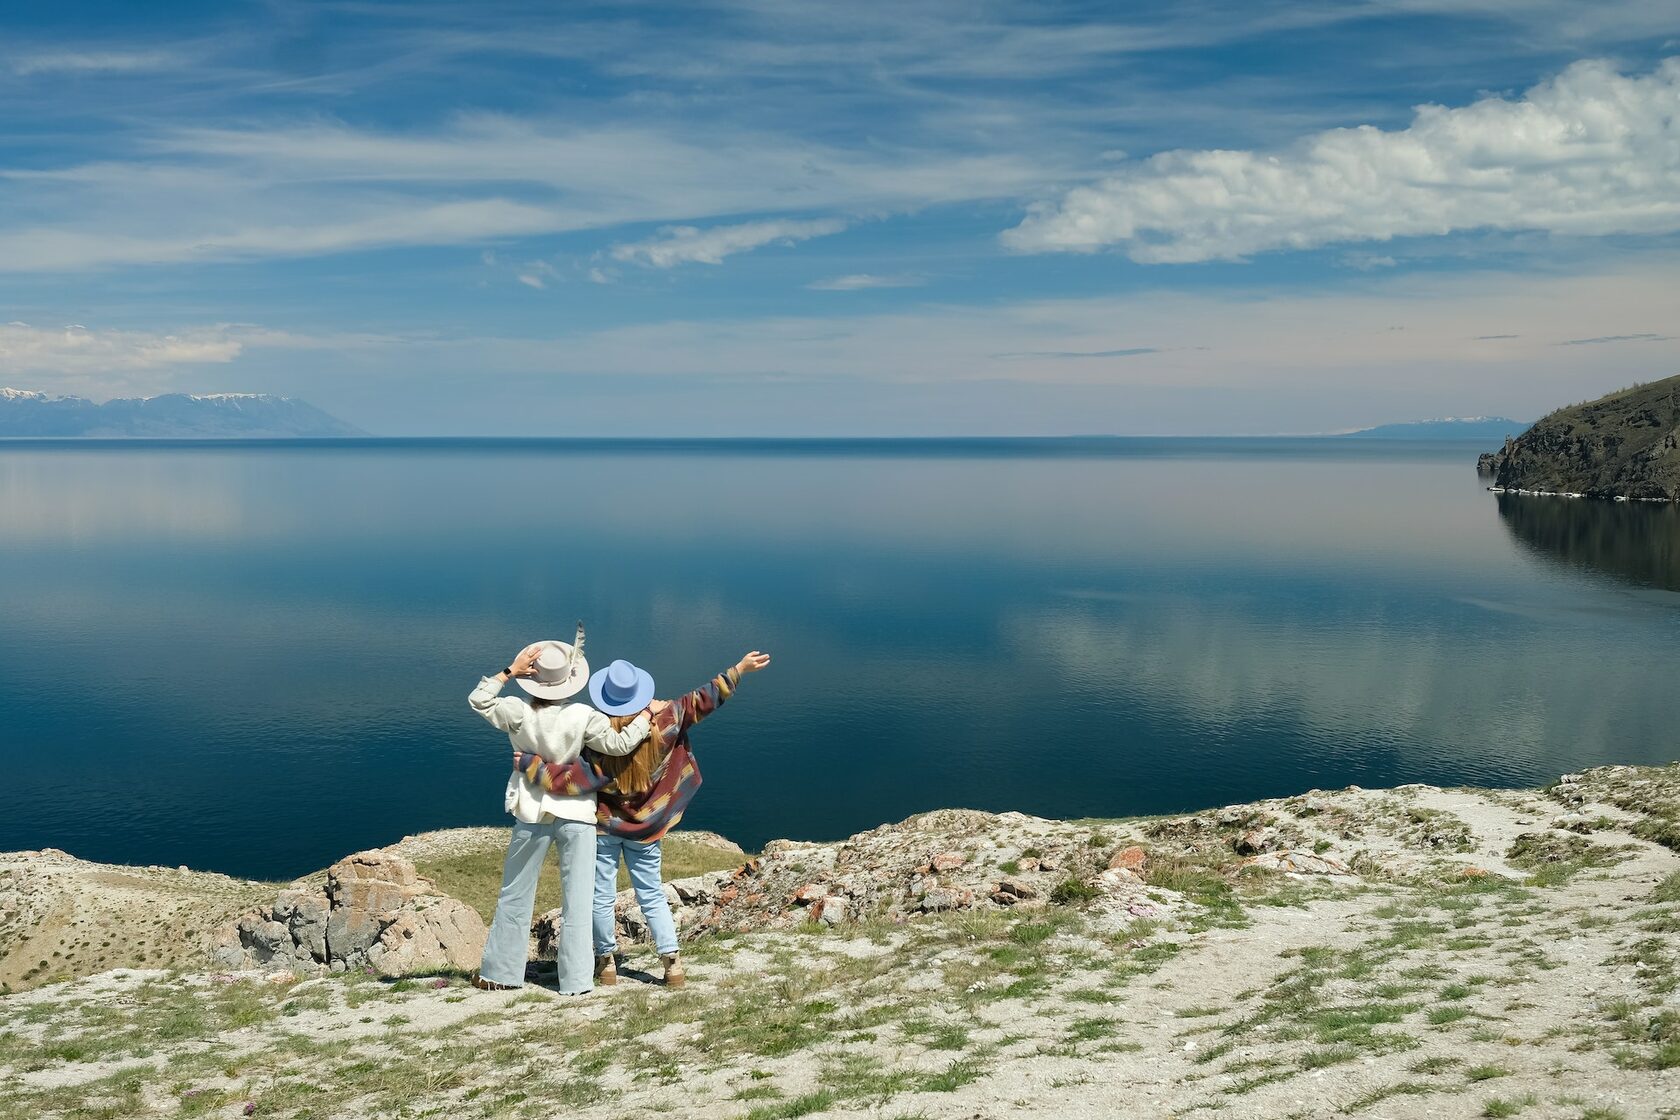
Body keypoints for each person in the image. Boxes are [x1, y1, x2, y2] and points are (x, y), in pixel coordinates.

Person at [510, 649, 770, 990]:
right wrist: (740, 669)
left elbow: (572, 779)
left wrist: (531, 765)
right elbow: (705, 699)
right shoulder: (667, 718)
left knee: (601, 896)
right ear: (640, 694)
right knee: (651, 893)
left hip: (604, 826)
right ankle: (672, 964)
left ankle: (606, 965)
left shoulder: (595, 736)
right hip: (648, 826)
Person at [467, 625, 650, 995]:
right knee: (579, 899)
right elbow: (618, 746)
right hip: (578, 814)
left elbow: (479, 701)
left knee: (516, 892)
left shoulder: (517, 712)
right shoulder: (583, 716)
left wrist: (509, 671)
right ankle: (577, 981)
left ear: (533, 680)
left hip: (531, 812)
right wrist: (646, 718)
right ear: (571, 679)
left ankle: (500, 974)